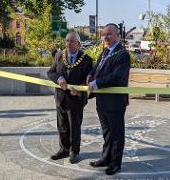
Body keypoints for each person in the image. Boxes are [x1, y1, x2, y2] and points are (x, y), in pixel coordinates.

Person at [86, 23, 131, 175]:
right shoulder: (105, 51)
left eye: (109, 34)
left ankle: (115, 164)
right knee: (107, 133)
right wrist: (89, 75)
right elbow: (97, 67)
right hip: (102, 100)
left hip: (115, 101)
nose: (105, 37)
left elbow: (117, 77)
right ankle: (105, 158)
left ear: (117, 36)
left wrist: (96, 83)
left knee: (117, 134)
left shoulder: (122, 53)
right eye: (104, 34)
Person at [47, 32, 93, 164]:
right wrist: (59, 78)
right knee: (62, 126)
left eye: (72, 41)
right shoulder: (59, 56)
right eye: (67, 41)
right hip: (61, 98)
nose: (68, 43)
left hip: (76, 100)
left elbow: (89, 79)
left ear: (78, 44)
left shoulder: (86, 59)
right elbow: (51, 72)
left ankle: (74, 152)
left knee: (74, 127)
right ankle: (64, 150)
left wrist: (80, 90)